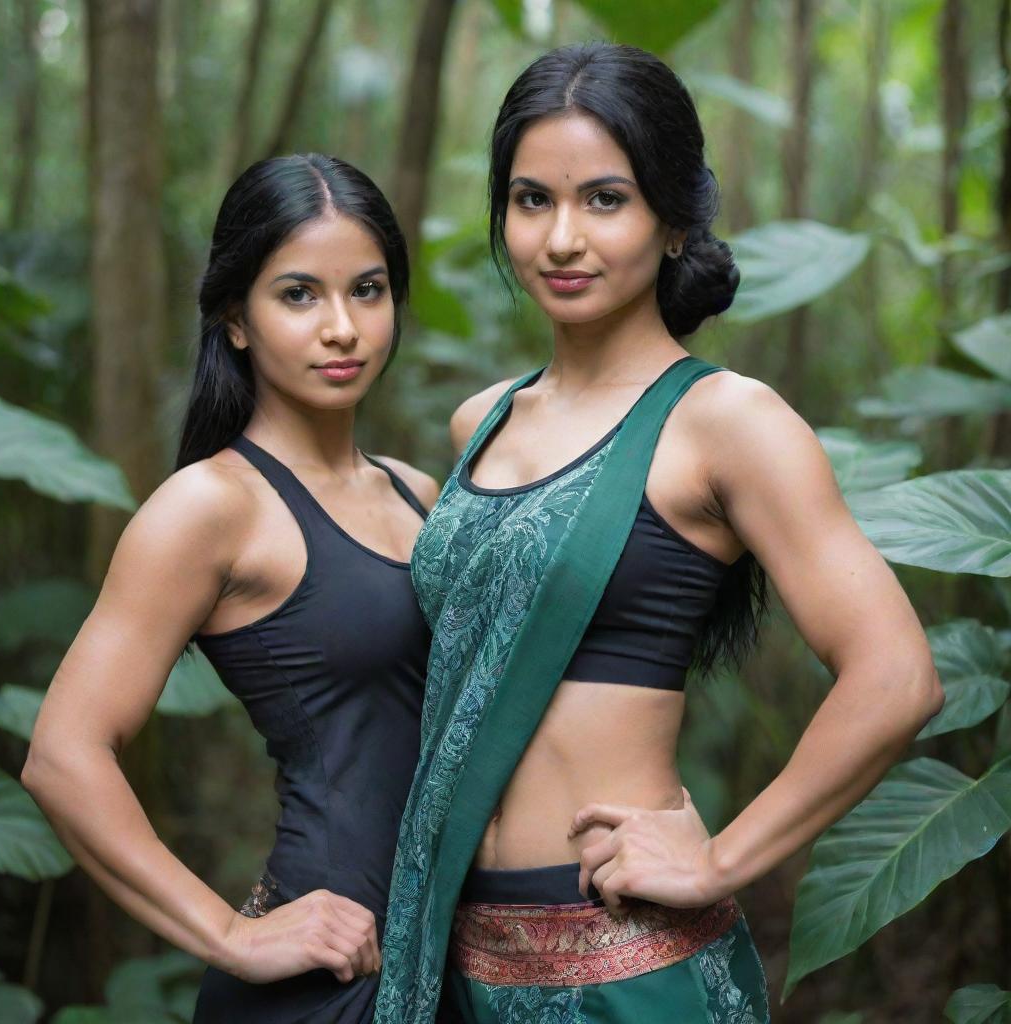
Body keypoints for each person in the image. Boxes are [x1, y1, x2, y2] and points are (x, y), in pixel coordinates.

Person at [373, 44, 944, 1023]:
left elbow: (896, 678)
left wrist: (722, 857)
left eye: (605, 199)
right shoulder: (482, 423)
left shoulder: (726, 423)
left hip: (628, 967)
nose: (560, 237)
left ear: (675, 220)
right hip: (459, 965)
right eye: (530, 199)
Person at [22, 153, 439, 1024]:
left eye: (367, 290)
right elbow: (62, 756)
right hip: (331, 975)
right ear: (236, 319)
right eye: (298, 295)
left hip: (453, 963)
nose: (342, 327)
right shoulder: (210, 507)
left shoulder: (419, 493)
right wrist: (228, 934)